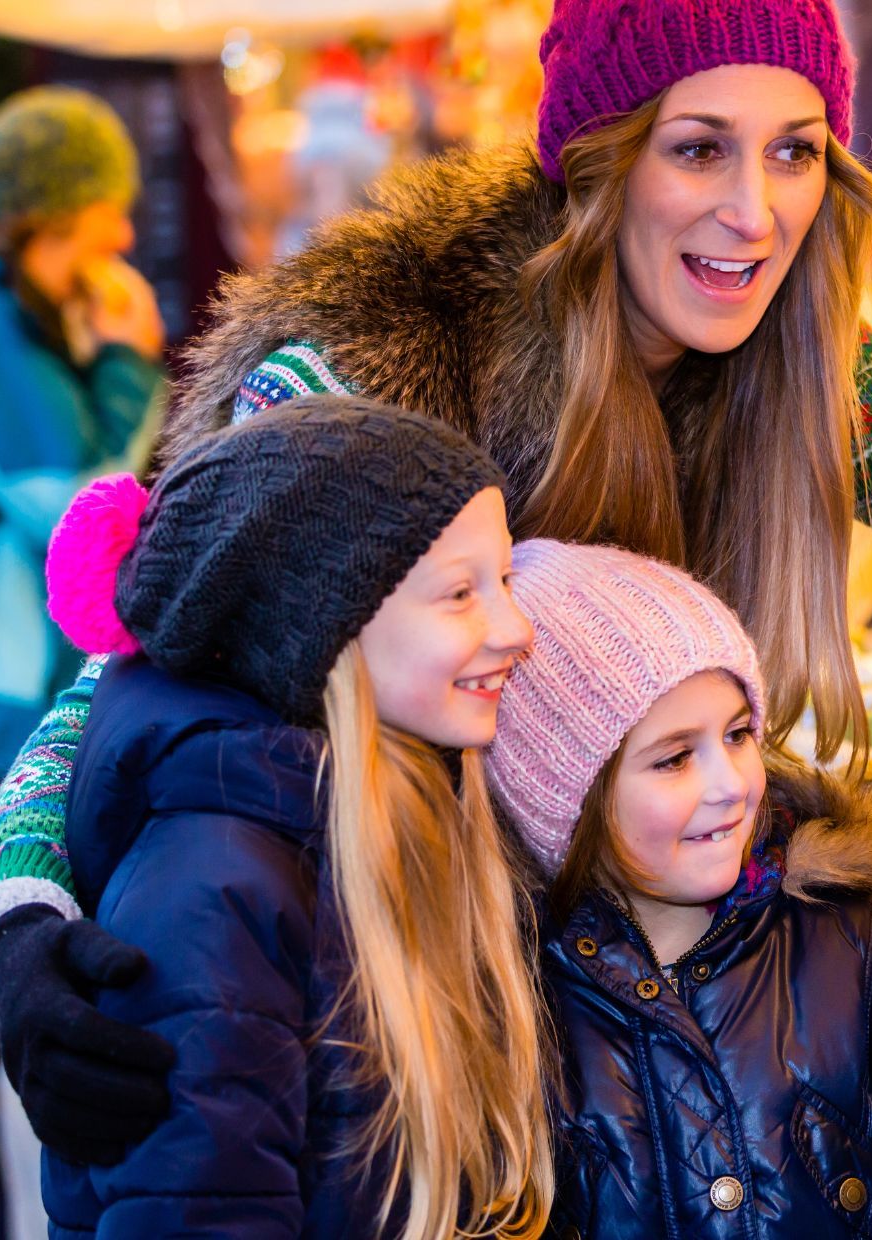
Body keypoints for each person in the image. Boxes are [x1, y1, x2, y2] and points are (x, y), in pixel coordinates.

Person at [0, 0, 872, 1157]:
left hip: (614, 1040)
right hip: (380, 1031)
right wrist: (16, 926)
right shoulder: (383, 357)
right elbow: (127, 671)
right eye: (699, 149)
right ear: (600, 161)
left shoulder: (798, 354)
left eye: (796, 151)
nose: (755, 213)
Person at [35, 396, 553, 1236]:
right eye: (461, 593)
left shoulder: (388, 808)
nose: (517, 628)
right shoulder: (215, 895)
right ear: (319, 624)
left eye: (506, 582)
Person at [489, 539, 872, 1238]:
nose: (731, 785)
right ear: (566, 801)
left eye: (737, 735)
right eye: (674, 758)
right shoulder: (517, 1010)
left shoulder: (855, 953)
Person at [0, 85, 164, 1233]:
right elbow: (72, 504)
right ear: (47, 213)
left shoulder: (4, 312)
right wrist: (127, 362)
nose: (124, 232)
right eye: (105, 206)